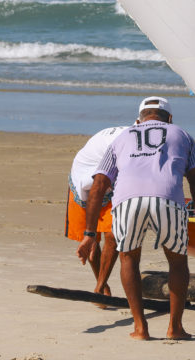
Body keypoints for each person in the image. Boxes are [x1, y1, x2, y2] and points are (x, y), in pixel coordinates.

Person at [76, 96, 195, 341]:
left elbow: (99, 184)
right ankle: (175, 328)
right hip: (168, 198)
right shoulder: (182, 134)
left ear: (138, 120)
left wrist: (89, 235)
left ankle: (140, 328)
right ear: (170, 119)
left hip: (127, 201)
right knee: (177, 262)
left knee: (129, 258)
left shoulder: (121, 138)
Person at [66, 125, 128, 297]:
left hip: (112, 180)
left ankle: (100, 286)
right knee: (90, 240)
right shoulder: (127, 140)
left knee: (113, 234)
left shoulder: (146, 137)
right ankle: (102, 285)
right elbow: (98, 186)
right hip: (84, 178)